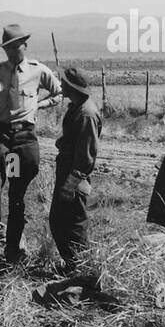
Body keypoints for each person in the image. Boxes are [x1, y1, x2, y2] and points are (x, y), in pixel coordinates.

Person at [0, 24, 63, 265]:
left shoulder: (38, 71)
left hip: (21, 140)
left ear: (26, 45)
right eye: (9, 48)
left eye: (17, 46)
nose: (13, 52)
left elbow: (58, 93)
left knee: (16, 196)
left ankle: (12, 253)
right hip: (0, 138)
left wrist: (39, 105)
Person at [50, 67, 102, 270]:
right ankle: (73, 266)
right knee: (61, 221)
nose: (61, 85)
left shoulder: (86, 113)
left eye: (63, 82)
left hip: (75, 176)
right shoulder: (77, 107)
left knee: (74, 224)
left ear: (72, 87)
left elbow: (86, 157)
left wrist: (70, 184)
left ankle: (82, 269)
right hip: (67, 171)